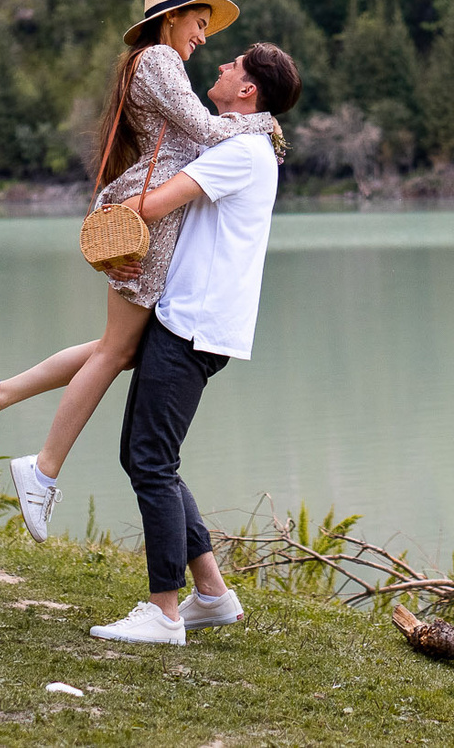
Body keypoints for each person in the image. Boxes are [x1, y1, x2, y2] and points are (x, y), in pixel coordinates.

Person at [0, 0, 274, 539]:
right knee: (116, 349)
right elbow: (206, 132)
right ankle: (41, 467)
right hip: (147, 219)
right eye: (199, 23)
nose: (202, 37)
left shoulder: (157, 62)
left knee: (113, 349)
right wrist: (264, 123)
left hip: (153, 223)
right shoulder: (161, 60)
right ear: (172, 20)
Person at [87, 41, 299, 647]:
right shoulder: (247, 145)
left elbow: (153, 205)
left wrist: (111, 209)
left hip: (193, 326)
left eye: (233, 66)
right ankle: (212, 594)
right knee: (145, 455)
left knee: (151, 461)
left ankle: (164, 611)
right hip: (192, 321)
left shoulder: (242, 151)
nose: (222, 67)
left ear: (248, 90)